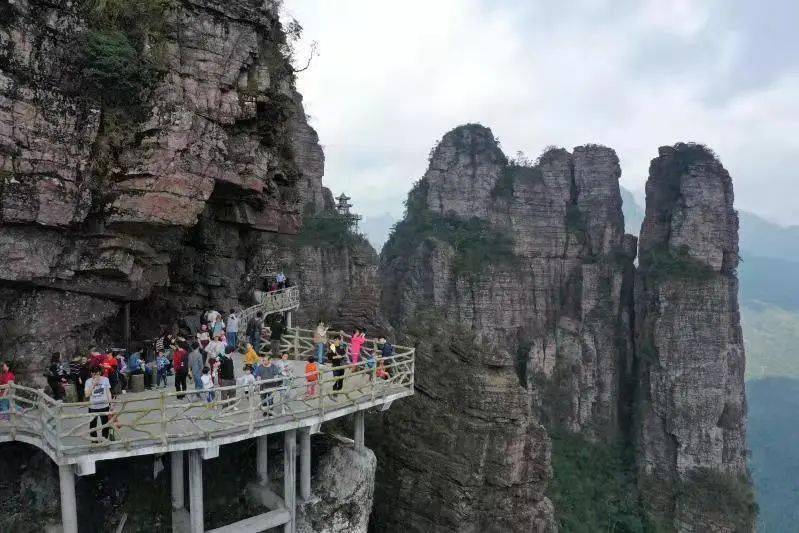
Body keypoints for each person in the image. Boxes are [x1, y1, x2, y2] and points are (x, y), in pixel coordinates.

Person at [84, 366, 112, 441]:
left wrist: (111, 404)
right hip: (93, 407)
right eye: (93, 374)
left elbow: (108, 392)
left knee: (105, 425)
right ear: (91, 374)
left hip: (104, 405)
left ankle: (104, 440)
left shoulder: (105, 379)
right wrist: (93, 385)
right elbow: (87, 395)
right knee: (92, 425)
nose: (96, 376)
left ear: (100, 373)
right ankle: (94, 441)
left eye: (97, 374)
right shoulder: (88, 381)